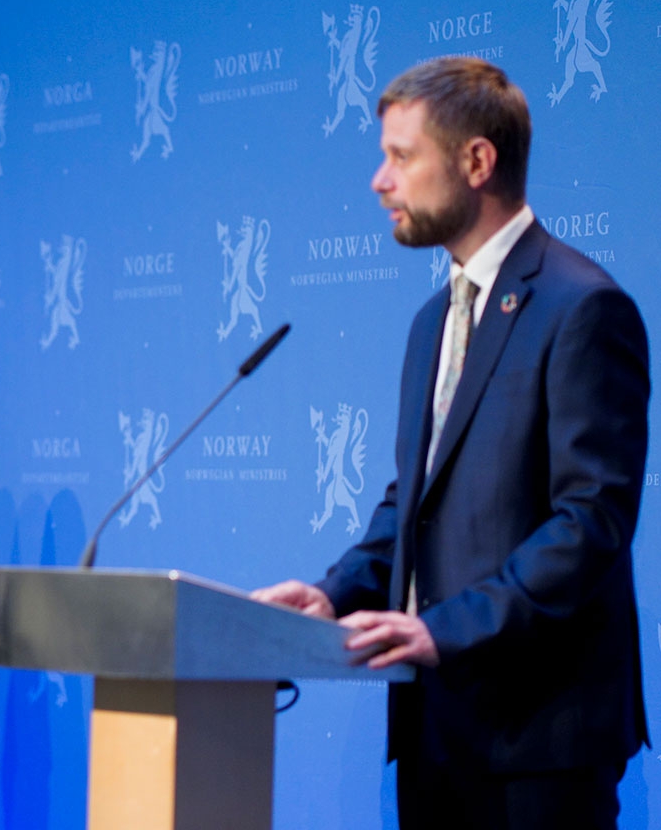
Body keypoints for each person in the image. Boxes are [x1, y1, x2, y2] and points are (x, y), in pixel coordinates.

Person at [253, 57, 649, 829]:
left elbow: (591, 520)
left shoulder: (585, 308)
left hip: (540, 740)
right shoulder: (433, 320)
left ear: (476, 162)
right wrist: (335, 593)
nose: (379, 180)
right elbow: (415, 496)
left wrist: (443, 629)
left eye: (401, 157)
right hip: (437, 730)